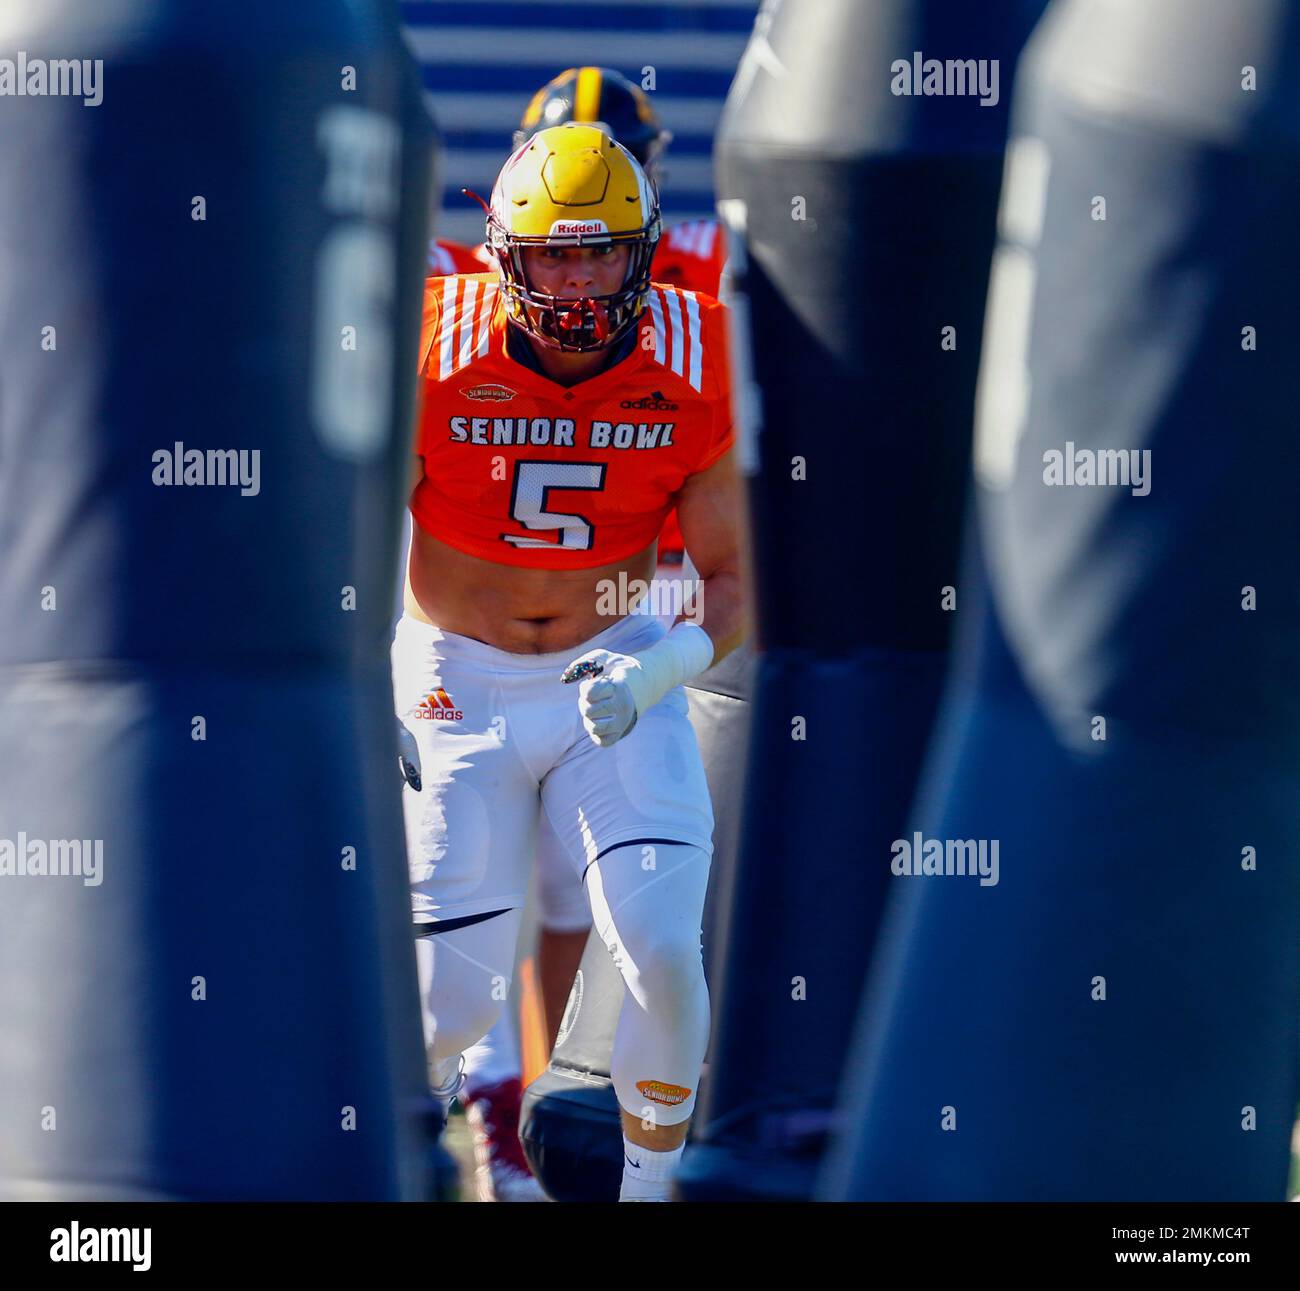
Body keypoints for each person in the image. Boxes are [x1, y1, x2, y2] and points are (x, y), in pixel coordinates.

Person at [393, 122, 745, 1202]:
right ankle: (406, 1171)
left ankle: (647, 1195)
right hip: (461, 679)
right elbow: (338, 529)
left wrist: (656, 673)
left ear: (644, 253)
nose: (579, 277)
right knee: (448, 1005)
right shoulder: (430, 345)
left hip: (612, 668)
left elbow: (737, 575)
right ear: (506, 252)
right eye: (555, 252)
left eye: (600, 251)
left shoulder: (696, 354)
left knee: (663, 948)